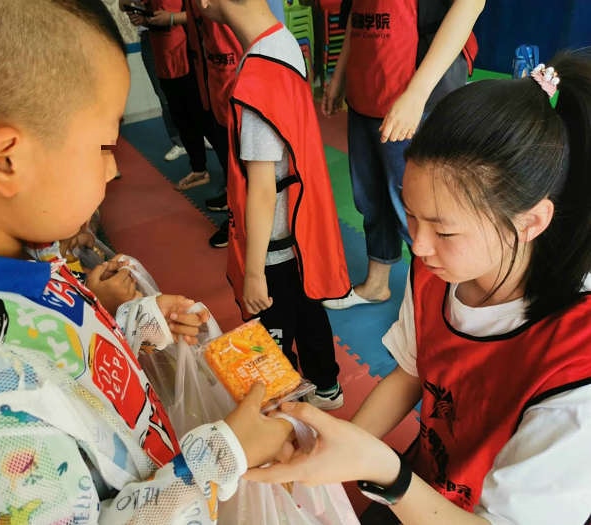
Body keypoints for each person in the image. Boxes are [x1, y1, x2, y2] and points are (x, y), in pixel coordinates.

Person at [0, 2, 293, 524]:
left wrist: (130, 323)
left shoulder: (14, 249)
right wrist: (222, 456)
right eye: (105, 145)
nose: (113, 168)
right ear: (8, 160)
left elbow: (55, 358)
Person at [245, 49, 591, 524]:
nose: (419, 245)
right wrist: (328, 446)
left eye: (444, 230)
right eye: (410, 214)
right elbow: (411, 373)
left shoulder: (576, 359)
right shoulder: (439, 273)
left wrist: (387, 475)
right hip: (424, 485)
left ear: (530, 222)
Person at [196, 0, 352, 410]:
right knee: (308, 308)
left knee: (273, 335)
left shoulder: (256, 78)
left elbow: (262, 188)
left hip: (275, 245)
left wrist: (253, 272)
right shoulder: (283, 43)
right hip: (299, 234)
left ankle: (287, 409)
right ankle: (326, 386)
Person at [322, 0, 484, 309]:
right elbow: (357, 14)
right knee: (371, 197)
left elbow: (470, 5)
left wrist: (417, 93)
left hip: (417, 87)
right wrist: (340, 74)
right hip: (367, 84)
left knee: (421, 209)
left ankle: (435, 304)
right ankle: (377, 284)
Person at [123, 1, 212, 190]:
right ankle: (198, 169)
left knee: (205, 115)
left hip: (189, 48)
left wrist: (172, 18)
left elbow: (208, 12)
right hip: (162, 51)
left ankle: (233, 178)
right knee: (179, 113)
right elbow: (125, 4)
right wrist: (144, 18)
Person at [183, 0, 243, 248]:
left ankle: (240, 221)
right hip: (210, 76)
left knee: (241, 162)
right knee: (224, 150)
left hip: (233, 80)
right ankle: (233, 200)